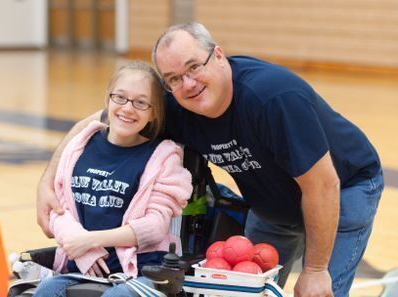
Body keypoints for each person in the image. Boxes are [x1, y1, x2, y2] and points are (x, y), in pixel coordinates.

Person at [37, 23, 384, 297]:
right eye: (173, 78)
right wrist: (47, 181)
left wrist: (314, 271)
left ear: (218, 55)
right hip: (275, 208)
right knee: (245, 293)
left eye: (193, 67)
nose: (187, 83)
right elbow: (98, 122)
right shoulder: (181, 105)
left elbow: (323, 185)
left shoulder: (273, 97)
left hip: (342, 192)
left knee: (317, 291)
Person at [33, 61, 192, 297]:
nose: (128, 108)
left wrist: (89, 241)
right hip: (80, 268)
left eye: (140, 103)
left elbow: (155, 227)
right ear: (108, 100)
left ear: (153, 112)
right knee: (46, 290)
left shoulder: (163, 157)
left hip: (142, 273)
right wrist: (83, 250)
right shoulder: (79, 146)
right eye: (120, 97)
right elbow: (59, 209)